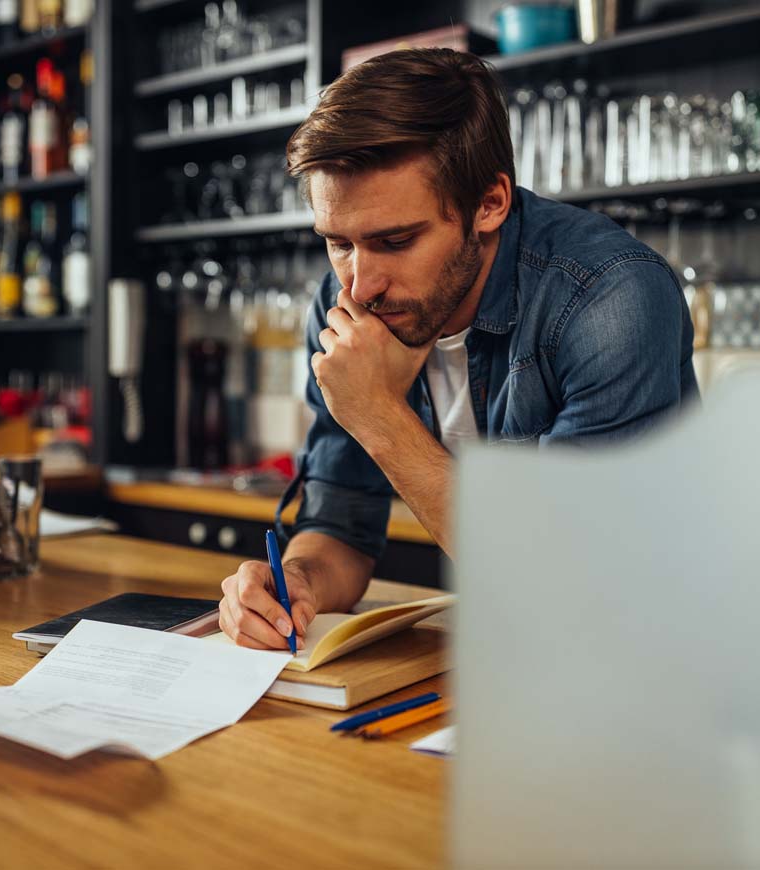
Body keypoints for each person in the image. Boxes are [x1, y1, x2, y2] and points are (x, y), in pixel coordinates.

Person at [218, 48, 698, 650]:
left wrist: (379, 415)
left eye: (395, 240)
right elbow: (339, 524)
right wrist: (297, 583)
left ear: (489, 203)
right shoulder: (348, 299)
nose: (358, 285)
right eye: (337, 242)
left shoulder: (609, 298)